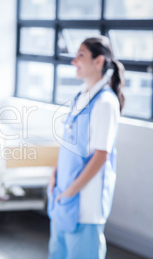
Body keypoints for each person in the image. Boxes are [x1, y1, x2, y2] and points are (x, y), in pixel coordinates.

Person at [48, 36, 125, 259]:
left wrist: (70, 191)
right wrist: (55, 176)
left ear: (99, 61)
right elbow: (68, 143)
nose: (74, 61)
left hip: (84, 202)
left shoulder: (105, 103)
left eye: (80, 55)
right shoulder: (81, 96)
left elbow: (101, 156)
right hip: (63, 195)